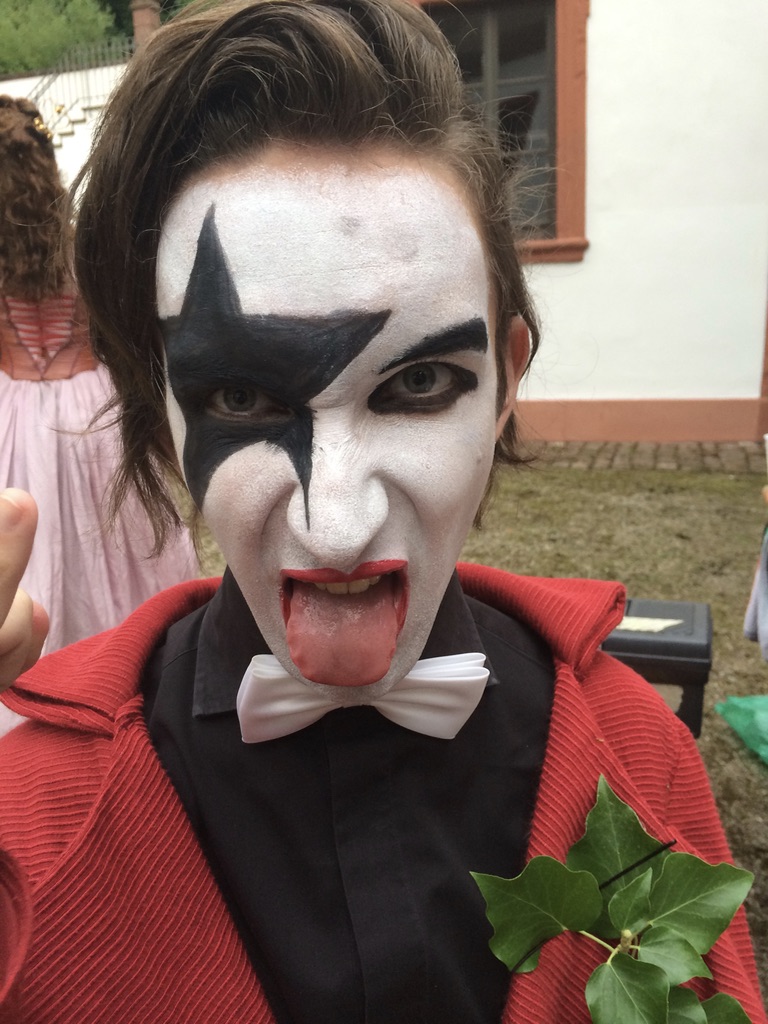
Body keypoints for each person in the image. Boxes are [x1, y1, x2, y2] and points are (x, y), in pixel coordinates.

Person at [0, 2, 764, 1021]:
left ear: (507, 382)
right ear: (161, 403)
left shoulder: (637, 753)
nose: (338, 526)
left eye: (419, 385)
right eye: (240, 397)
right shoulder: (29, 817)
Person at [0, 96, 200, 734]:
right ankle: (122, 679)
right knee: (112, 550)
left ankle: (40, 698)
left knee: (28, 558)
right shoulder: (86, 247)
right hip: (94, 410)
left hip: (13, 413)